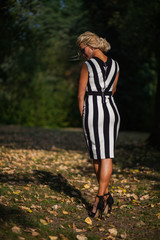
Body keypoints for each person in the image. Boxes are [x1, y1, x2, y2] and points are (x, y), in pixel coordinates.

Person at [77, 31, 120, 218]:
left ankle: (99, 198)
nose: (82, 54)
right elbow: (112, 91)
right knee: (107, 155)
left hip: (93, 112)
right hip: (111, 111)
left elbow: (81, 95)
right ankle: (106, 195)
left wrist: (83, 116)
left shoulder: (87, 65)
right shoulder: (116, 65)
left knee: (97, 155)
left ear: (90, 45)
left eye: (82, 49)